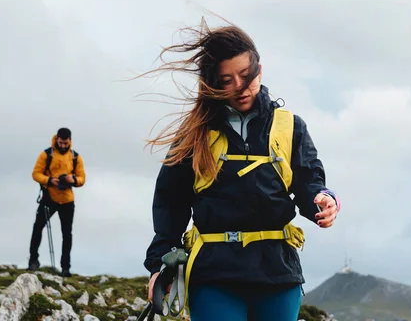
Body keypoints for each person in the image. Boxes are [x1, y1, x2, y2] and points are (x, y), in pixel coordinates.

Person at [142, 19, 341, 321]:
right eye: (226, 80)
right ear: (212, 83)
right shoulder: (194, 133)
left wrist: (322, 199)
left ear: (259, 70)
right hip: (214, 275)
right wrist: (160, 264)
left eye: (246, 76)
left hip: (278, 272)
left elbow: (308, 181)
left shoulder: (290, 126)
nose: (239, 87)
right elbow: (171, 202)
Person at [28, 127, 86, 276]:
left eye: (66, 143)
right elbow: (35, 173)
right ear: (57, 140)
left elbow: (82, 178)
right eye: (61, 143)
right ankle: (33, 260)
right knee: (38, 228)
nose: (63, 146)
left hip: (67, 200)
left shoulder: (75, 157)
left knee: (67, 234)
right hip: (49, 197)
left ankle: (65, 268)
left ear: (70, 141)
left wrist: (72, 179)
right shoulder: (47, 154)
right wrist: (49, 180)